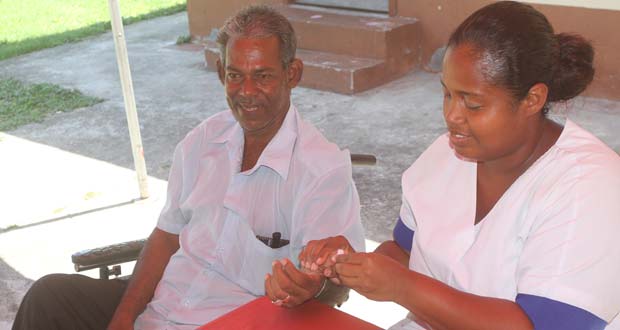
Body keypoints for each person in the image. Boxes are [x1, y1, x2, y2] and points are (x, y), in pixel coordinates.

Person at [12, 5, 364, 330]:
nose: (247, 91)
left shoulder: (322, 171)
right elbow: (166, 237)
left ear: (293, 74)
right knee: (50, 296)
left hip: (234, 321)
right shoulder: (202, 142)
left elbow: (335, 288)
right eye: (235, 75)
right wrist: (122, 317)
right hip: (163, 305)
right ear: (220, 73)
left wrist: (310, 288)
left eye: (264, 76)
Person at [299, 1, 620, 329]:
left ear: (533, 100)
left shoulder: (590, 187)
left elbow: (542, 325)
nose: (452, 116)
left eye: (473, 103)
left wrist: (402, 287)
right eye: (448, 95)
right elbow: (404, 251)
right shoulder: (447, 155)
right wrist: (346, 267)